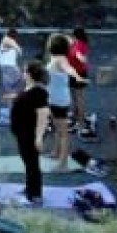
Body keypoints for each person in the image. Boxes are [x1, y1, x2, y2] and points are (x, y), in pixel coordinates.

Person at [9, 62, 52, 206]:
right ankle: (30, 188)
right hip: (22, 132)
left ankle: (35, 195)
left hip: (30, 133)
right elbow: (26, 100)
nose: (23, 73)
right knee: (28, 162)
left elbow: (43, 114)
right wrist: (14, 98)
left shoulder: (39, 92)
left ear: (29, 74)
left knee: (32, 163)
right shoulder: (30, 89)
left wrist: (39, 137)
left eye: (24, 71)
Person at [44, 33, 74, 170]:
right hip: (55, 99)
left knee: (63, 132)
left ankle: (63, 163)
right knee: (57, 129)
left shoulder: (60, 60)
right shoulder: (56, 58)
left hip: (60, 101)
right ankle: (56, 153)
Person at [67, 28, 91, 131]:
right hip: (73, 73)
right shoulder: (76, 43)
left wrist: (81, 58)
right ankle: (76, 117)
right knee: (74, 97)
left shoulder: (80, 44)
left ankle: (80, 121)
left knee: (79, 97)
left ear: (75, 35)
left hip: (78, 73)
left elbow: (80, 56)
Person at [0, 28, 25, 104]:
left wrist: (12, 48)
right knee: (17, 84)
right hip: (9, 67)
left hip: (7, 68)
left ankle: (11, 103)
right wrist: (14, 48)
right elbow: (19, 51)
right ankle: (12, 103)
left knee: (10, 88)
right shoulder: (7, 40)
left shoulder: (7, 41)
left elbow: (18, 50)